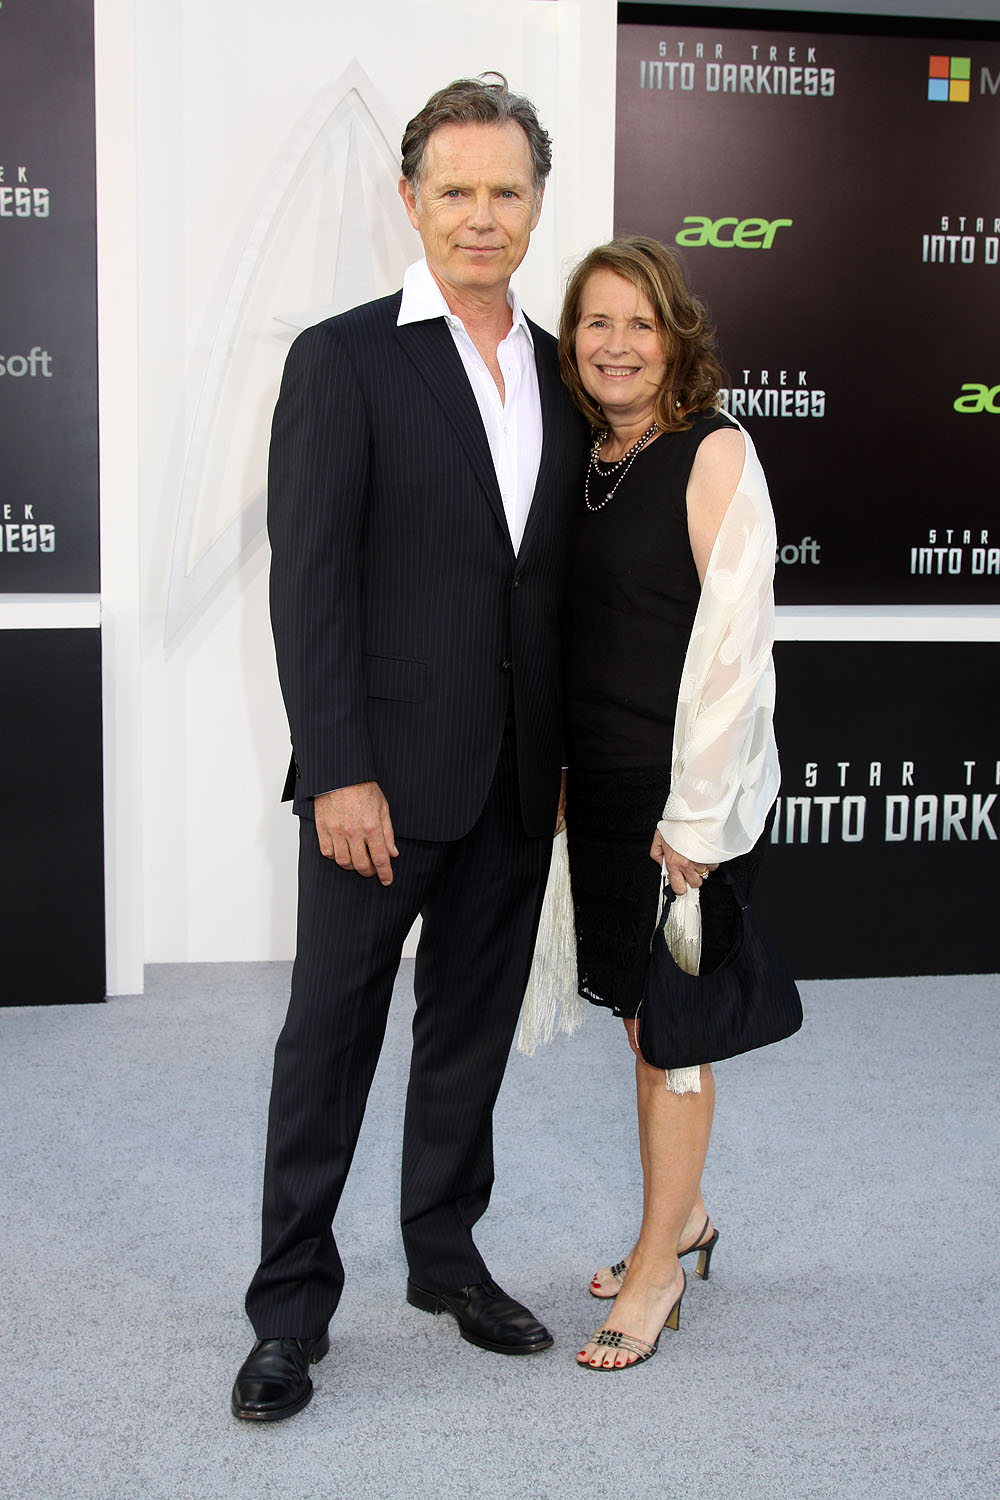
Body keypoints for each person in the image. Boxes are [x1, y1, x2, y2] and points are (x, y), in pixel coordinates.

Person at [231, 74, 586, 1421]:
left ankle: (444, 1256)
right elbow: (308, 582)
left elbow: (547, 587)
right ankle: (288, 1314)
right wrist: (338, 768)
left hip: (512, 780)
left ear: (537, 204)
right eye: (456, 191)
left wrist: (558, 766)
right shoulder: (344, 358)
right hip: (378, 783)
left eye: (506, 192)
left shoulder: (563, 368)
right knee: (330, 1043)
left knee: (469, 1041)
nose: (481, 217)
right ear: (410, 200)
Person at [556, 236, 780, 1369]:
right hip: (595, 791)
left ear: (674, 333)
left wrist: (694, 824)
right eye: (596, 322)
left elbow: (736, 651)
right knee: (644, 1023)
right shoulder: (585, 458)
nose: (617, 344)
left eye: (639, 322)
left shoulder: (714, 453)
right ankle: (683, 1217)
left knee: (675, 1042)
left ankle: (657, 1273)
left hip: (677, 805)